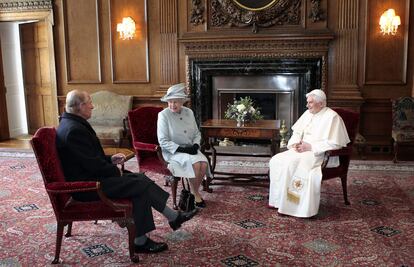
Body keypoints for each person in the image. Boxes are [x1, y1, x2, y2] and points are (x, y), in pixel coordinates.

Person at [56, 89, 197, 254]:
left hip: (92, 177)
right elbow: (92, 165)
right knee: (139, 184)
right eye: (90, 103)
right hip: (88, 186)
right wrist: (116, 171)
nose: (93, 107)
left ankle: (165, 222)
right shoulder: (74, 130)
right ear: (80, 106)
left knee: (139, 180)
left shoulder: (72, 124)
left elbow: (87, 159)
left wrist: (109, 160)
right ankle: (147, 236)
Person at [268, 89, 350, 218]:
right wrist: (295, 143)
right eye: (307, 102)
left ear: (321, 103)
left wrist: (311, 147)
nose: (307, 105)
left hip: (318, 153)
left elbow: (335, 144)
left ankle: (294, 206)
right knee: (276, 160)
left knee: (291, 163)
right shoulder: (307, 113)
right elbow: (296, 133)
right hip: (301, 149)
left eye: (310, 103)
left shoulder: (332, 117)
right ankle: (278, 201)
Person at [157, 83, 211, 208]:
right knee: (195, 164)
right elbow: (163, 141)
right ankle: (196, 194)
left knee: (203, 163)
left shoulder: (189, 112)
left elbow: (197, 133)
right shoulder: (163, 115)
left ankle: (193, 191)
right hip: (173, 151)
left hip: (191, 149)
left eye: (175, 102)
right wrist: (183, 149)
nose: (172, 105)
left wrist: (196, 146)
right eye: (169, 101)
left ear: (182, 101)